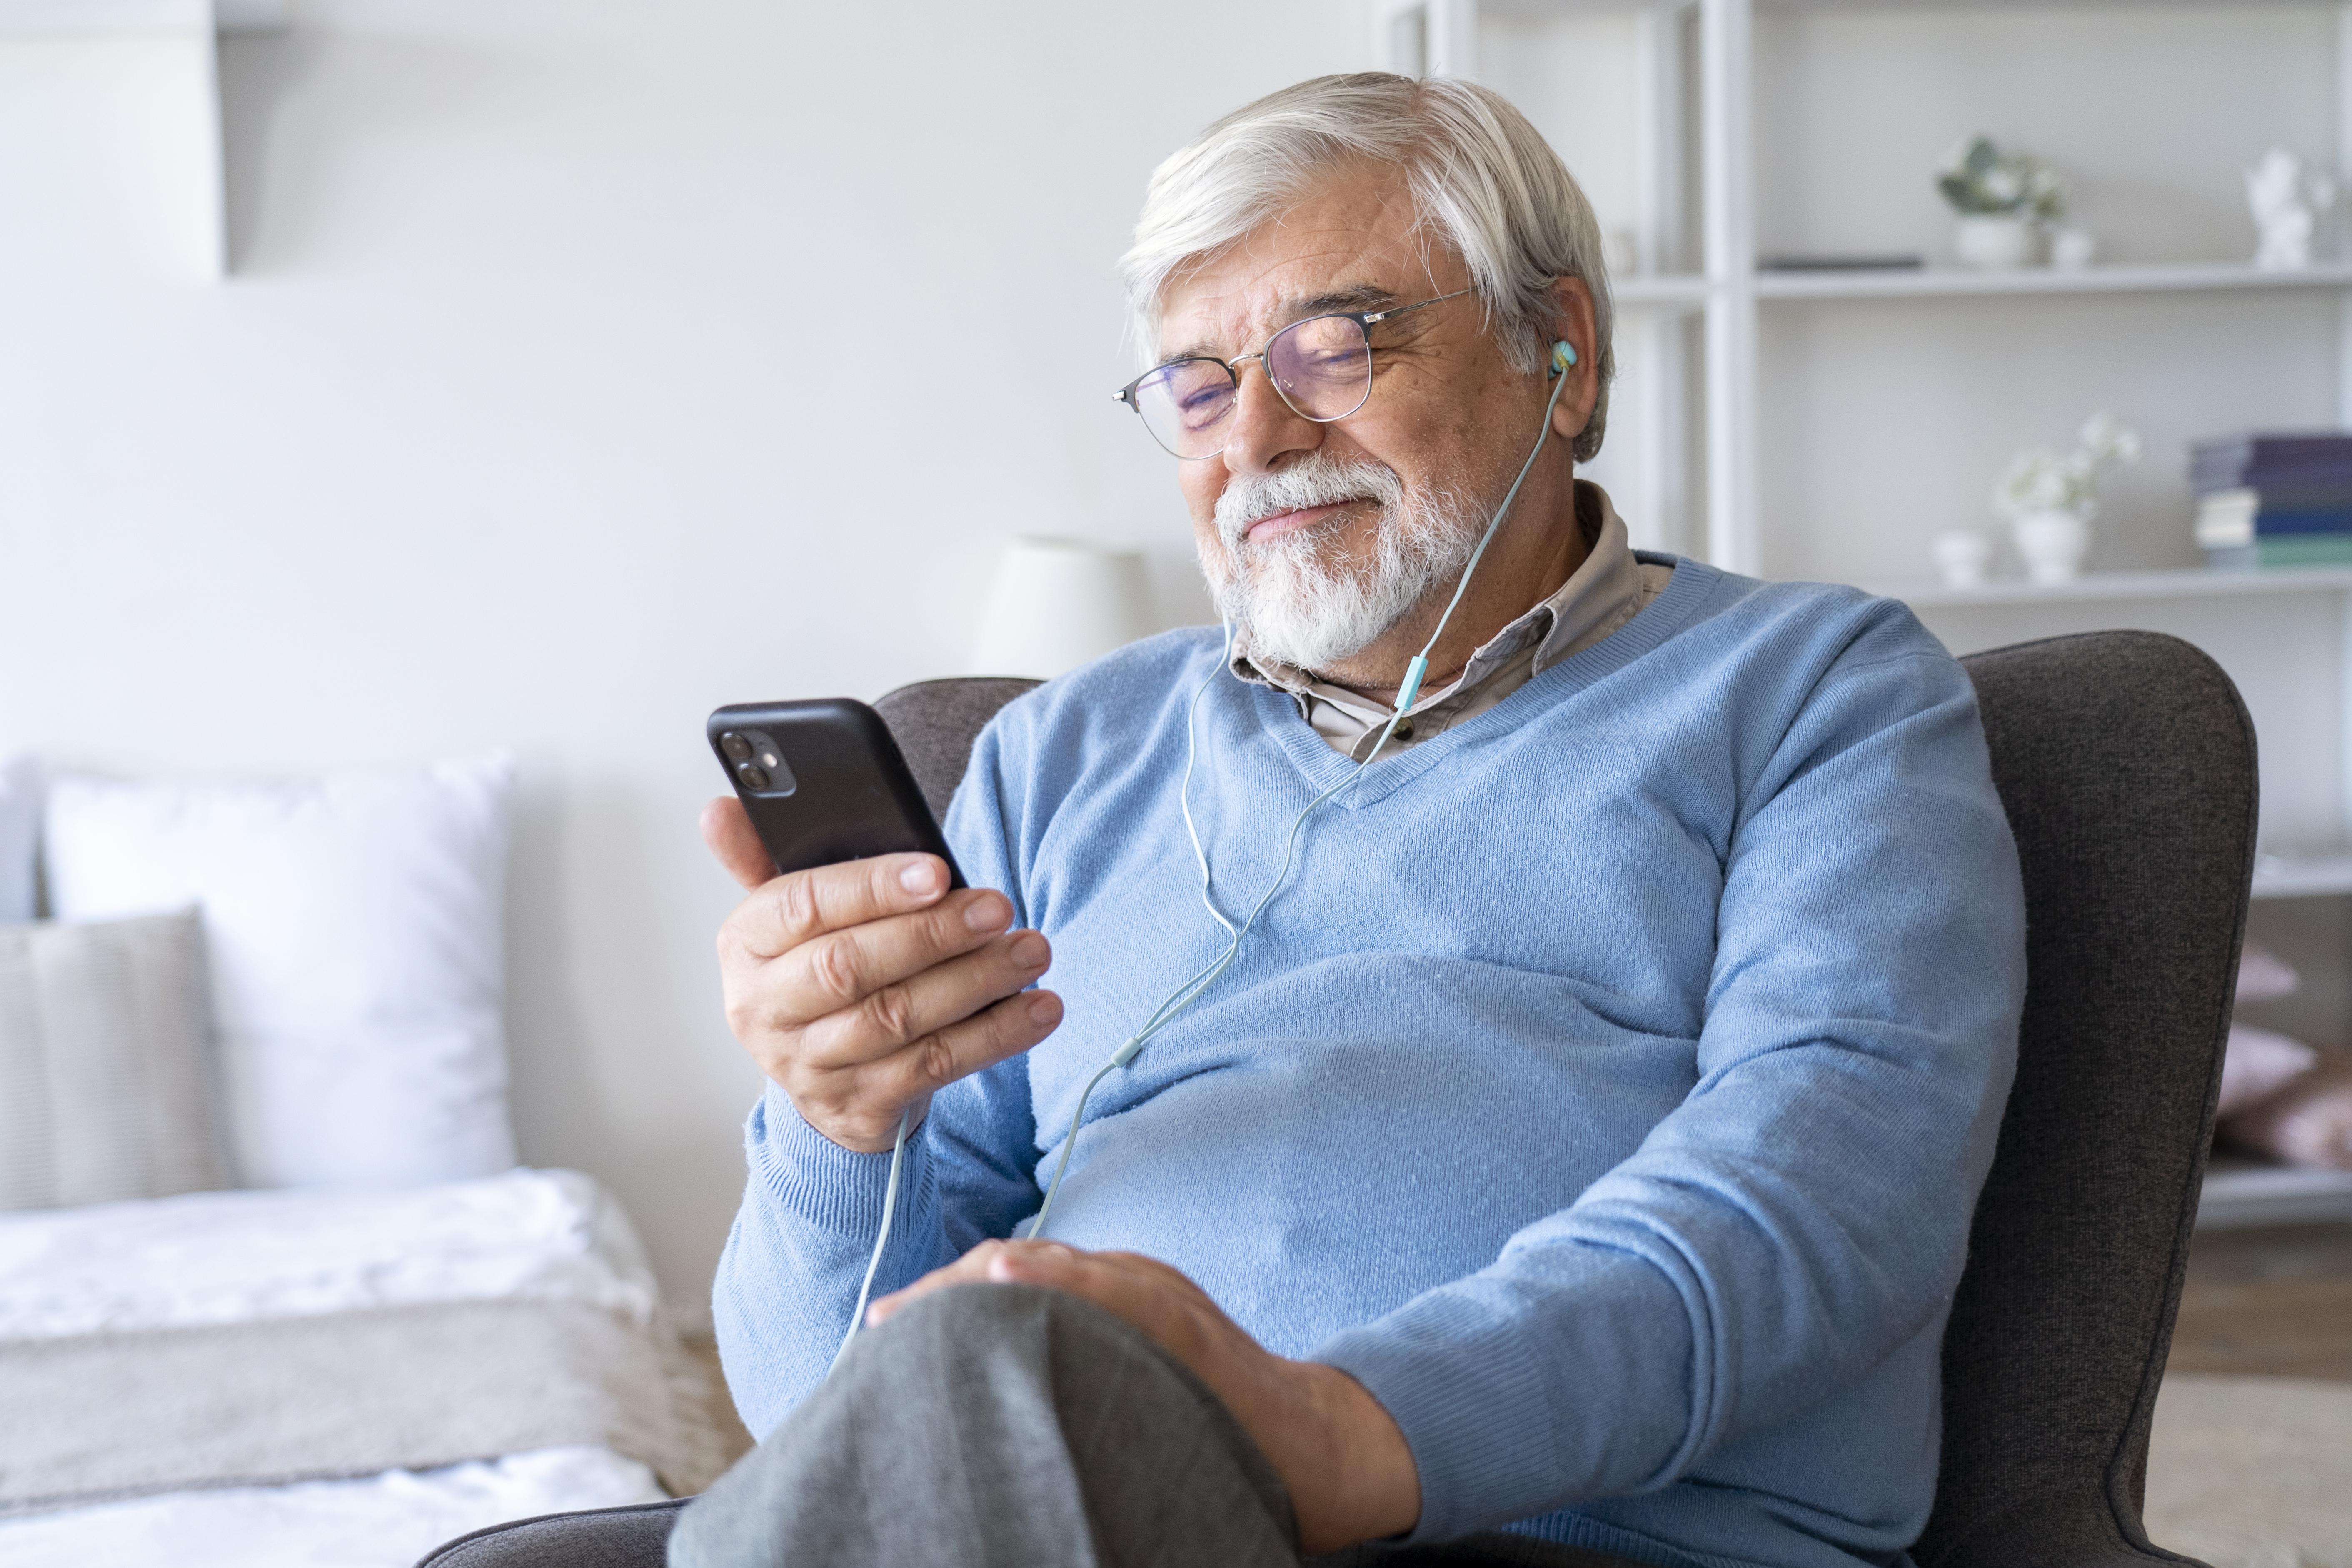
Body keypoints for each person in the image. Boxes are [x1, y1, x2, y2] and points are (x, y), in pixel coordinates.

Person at [686, 70, 2024, 1568]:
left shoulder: (1818, 692)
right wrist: (834, 1129)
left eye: (1335, 346)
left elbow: (1824, 1194)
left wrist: (1330, 1426)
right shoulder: (1060, 755)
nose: (1253, 434)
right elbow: (823, 1436)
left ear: (1561, 359)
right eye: (1198, 384)